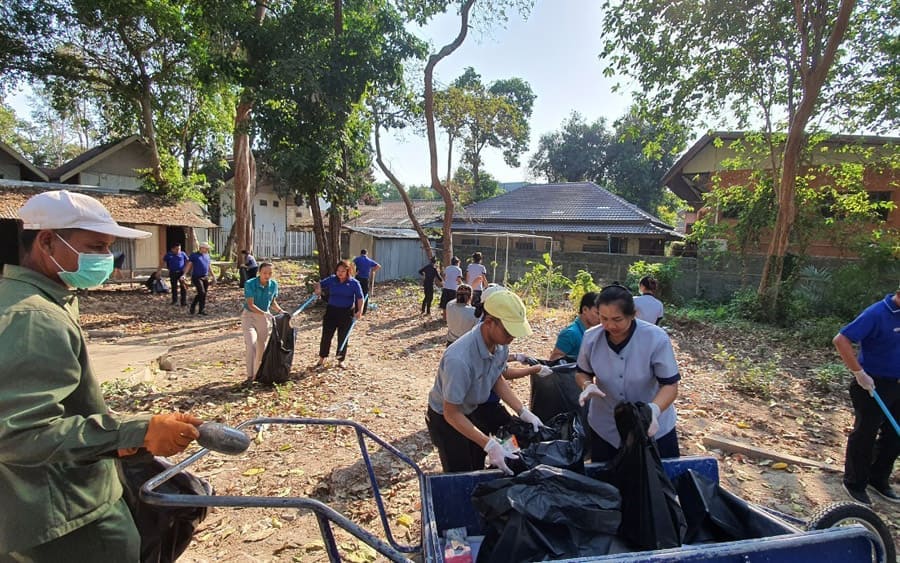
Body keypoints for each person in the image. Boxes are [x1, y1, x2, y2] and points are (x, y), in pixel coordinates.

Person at [0, 190, 202, 560]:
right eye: (94, 247)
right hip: (68, 516)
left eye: (108, 248)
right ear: (46, 241)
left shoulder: (32, 299)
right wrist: (136, 430)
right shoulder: (33, 317)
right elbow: (20, 434)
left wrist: (124, 438)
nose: (105, 259)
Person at [426, 288, 548, 474]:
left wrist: (522, 411)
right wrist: (489, 444)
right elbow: (451, 413)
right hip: (446, 418)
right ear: (490, 322)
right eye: (508, 332)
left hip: (472, 409)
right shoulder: (459, 359)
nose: (512, 338)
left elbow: (496, 378)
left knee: (477, 461)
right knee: (461, 472)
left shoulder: (500, 346)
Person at [576, 284, 681, 462]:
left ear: (632, 315)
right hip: (605, 424)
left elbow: (670, 385)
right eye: (603, 318)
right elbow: (582, 372)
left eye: (617, 319)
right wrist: (587, 385)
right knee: (608, 482)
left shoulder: (655, 338)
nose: (610, 325)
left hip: (652, 426)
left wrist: (653, 410)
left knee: (660, 482)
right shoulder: (591, 338)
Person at [833, 284, 900, 506]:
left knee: (894, 435)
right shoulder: (877, 313)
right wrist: (859, 373)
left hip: (897, 384)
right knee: (865, 433)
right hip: (872, 384)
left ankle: (877, 479)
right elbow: (841, 340)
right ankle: (855, 483)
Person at [314, 260, 364, 369]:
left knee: (343, 337)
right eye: (338, 270)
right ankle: (322, 358)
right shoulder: (332, 279)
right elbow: (319, 283)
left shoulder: (354, 283)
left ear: (348, 271)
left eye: (342, 271)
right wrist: (318, 289)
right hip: (331, 311)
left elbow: (360, 298)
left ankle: (340, 360)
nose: (340, 273)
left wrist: (359, 311)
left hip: (346, 313)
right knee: (326, 335)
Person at [242, 262, 286, 383]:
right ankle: (249, 376)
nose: (267, 275)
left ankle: (257, 374)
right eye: (265, 273)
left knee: (261, 347)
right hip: (249, 316)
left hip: (263, 318)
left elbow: (272, 302)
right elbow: (251, 305)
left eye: (270, 273)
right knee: (251, 345)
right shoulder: (250, 284)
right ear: (259, 272)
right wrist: (264, 313)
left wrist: (281, 311)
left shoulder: (273, 285)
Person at [548, 291, 601, 362]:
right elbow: (554, 360)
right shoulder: (570, 333)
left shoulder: (593, 332)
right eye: (597, 313)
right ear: (585, 310)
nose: (601, 317)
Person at [183, 241, 214, 315]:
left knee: (203, 293)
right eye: (206, 248)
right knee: (201, 292)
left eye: (207, 249)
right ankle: (193, 306)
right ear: (201, 248)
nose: (207, 250)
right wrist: (184, 274)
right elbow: (189, 265)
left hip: (205, 276)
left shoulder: (207, 255)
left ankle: (201, 310)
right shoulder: (194, 255)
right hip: (196, 277)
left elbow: (209, 266)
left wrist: (213, 276)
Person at [353, 249, 380, 314]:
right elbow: (378, 266)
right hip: (365, 279)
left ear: (360, 253)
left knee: (357, 293)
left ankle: (357, 309)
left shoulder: (357, 259)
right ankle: (364, 310)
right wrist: (373, 270)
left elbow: (351, 264)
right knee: (365, 294)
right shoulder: (369, 260)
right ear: (366, 254)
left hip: (358, 278)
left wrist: (354, 272)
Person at [439, 256, 464, 321]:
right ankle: (451, 319)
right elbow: (458, 279)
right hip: (453, 289)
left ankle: (444, 318)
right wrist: (462, 284)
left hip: (446, 288)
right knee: (453, 304)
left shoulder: (447, 268)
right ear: (457, 262)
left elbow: (444, 276)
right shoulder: (458, 269)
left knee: (445, 304)